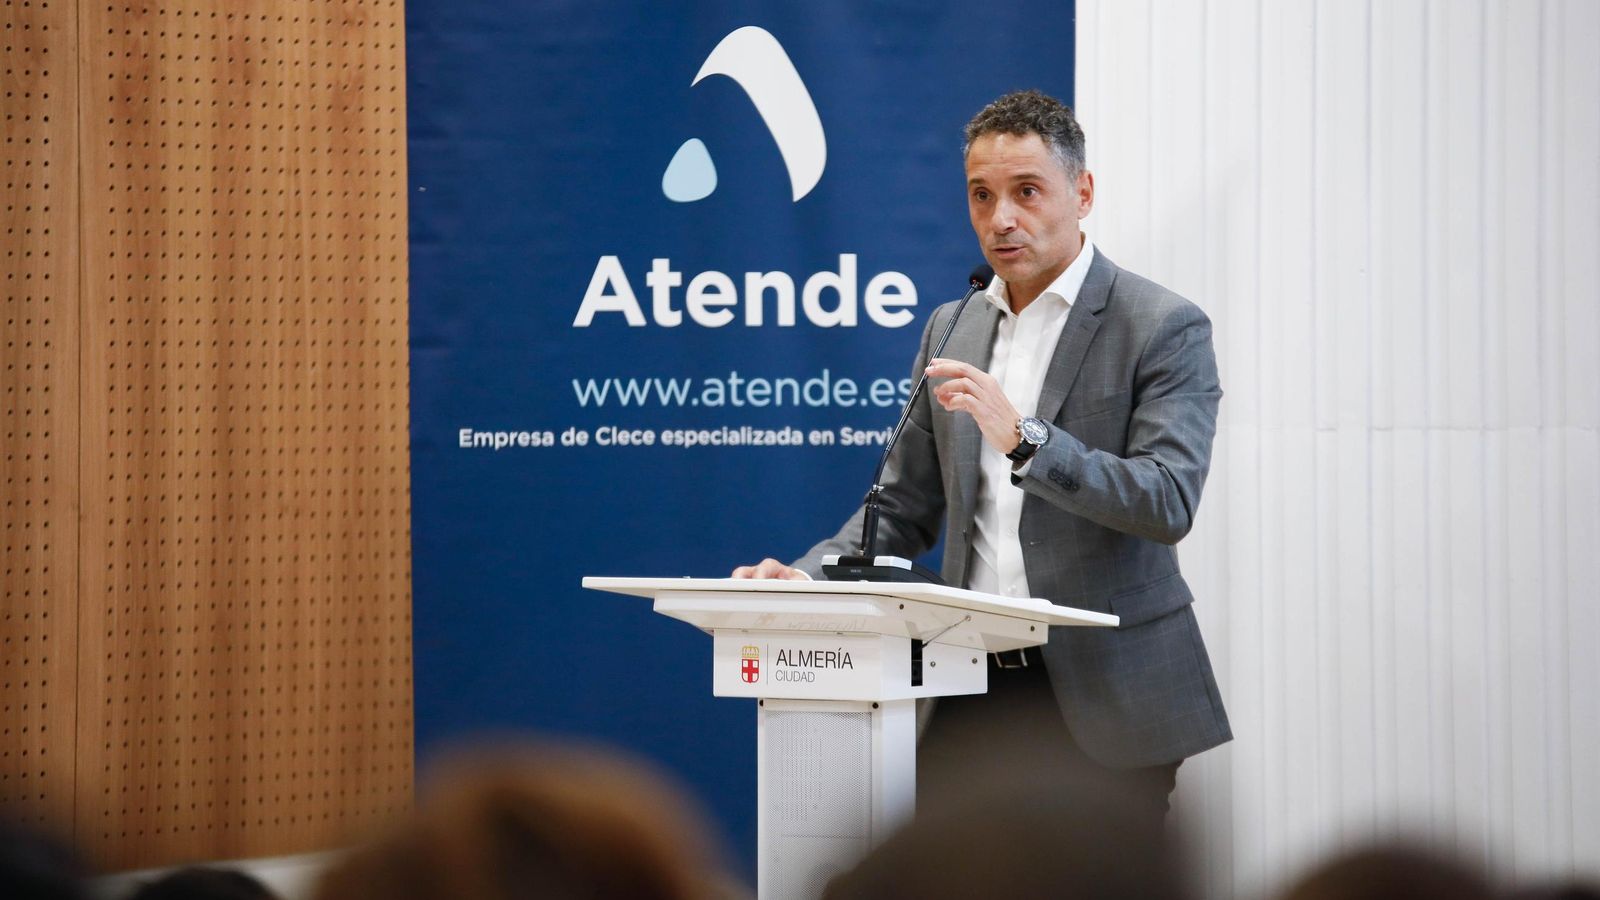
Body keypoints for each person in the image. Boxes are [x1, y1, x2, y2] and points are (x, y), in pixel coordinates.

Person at [733, 89, 1231, 825]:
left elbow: (1166, 501)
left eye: (1027, 191)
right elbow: (900, 506)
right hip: (966, 684)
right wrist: (804, 578)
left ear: (1082, 193)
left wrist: (1026, 439)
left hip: (1109, 695)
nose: (1001, 219)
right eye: (982, 195)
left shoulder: (1161, 325)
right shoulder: (954, 325)